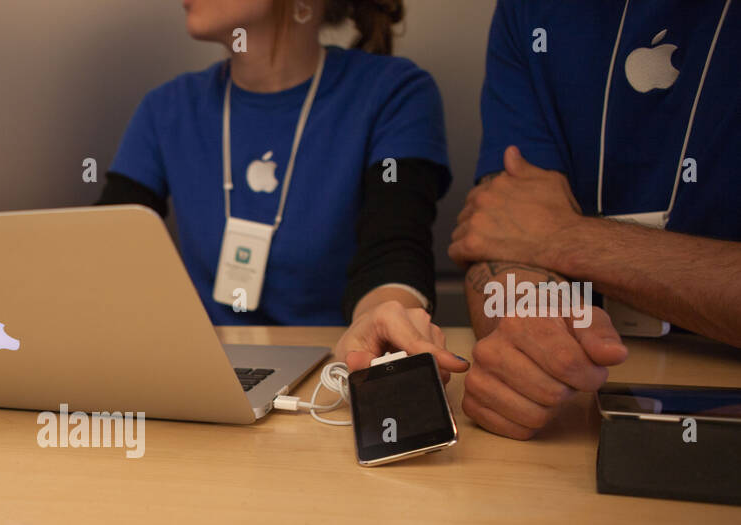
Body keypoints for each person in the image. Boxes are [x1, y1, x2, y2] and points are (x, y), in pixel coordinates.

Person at [98, 0, 468, 381]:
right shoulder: (167, 108)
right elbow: (102, 251)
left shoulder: (394, 93)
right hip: (204, 374)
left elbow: (395, 247)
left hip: (331, 374)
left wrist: (383, 323)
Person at [450, 0, 741, 440]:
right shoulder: (530, 11)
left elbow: (526, 230)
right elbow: (502, 230)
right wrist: (531, 342)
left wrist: (563, 237)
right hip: (585, 411)